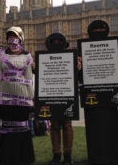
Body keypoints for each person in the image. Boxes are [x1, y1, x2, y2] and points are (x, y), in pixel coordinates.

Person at [82, 20, 118, 165]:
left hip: (109, 94)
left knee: (111, 126)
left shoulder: (114, 47)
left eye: (101, 29)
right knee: (94, 129)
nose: (98, 31)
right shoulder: (84, 48)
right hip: (91, 94)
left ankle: (115, 156)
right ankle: (96, 157)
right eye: (96, 29)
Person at [0, 26, 35, 165]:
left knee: (22, 128)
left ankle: (22, 158)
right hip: (5, 98)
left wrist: (30, 98)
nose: (12, 38)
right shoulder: (2, 55)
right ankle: (6, 158)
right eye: (10, 36)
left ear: (20, 39)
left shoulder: (27, 56)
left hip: (22, 98)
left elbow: (29, 79)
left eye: (15, 36)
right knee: (7, 128)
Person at [44, 33, 73, 165]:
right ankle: (56, 154)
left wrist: (78, 67)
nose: (56, 44)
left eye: (58, 42)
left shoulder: (71, 58)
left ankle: (67, 155)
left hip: (66, 95)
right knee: (54, 126)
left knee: (67, 126)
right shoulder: (45, 58)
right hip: (51, 95)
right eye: (53, 42)